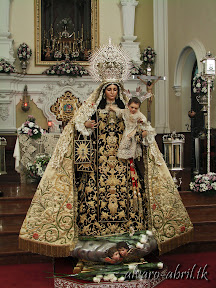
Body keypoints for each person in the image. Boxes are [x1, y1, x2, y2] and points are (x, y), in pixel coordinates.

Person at [19, 40, 193, 258]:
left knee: (130, 196)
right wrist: (87, 126)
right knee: (92, 196)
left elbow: (142, 128)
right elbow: (76, 127)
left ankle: (130, 231)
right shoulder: (92, 110)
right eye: (108, 89)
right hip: (98, 164)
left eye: (114, 89)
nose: (112, 92)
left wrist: (141, 132)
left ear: (119, 91)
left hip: (123, 162)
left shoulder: (127, 110)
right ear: (103, 91)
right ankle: (93, 232)